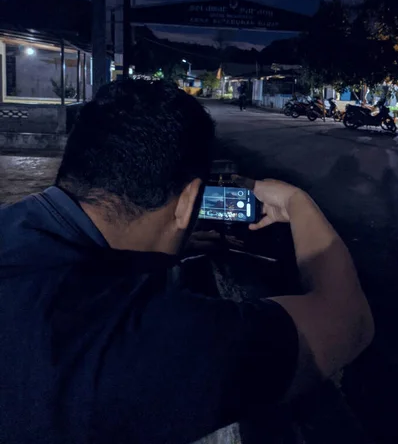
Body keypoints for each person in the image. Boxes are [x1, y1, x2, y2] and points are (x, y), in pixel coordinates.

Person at [0, 79, 374, 444]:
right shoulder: (139, 340)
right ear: (189, 200)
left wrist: (160, 249)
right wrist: (298, 203)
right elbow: (348, 320)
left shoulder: (16, 227)